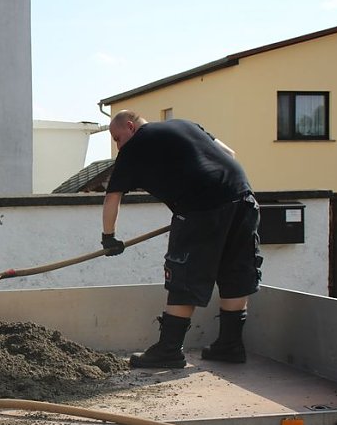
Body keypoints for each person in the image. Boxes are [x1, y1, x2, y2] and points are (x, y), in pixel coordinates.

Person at [101, 110, 263, 369]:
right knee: (236, 272)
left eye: (117, 138)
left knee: (185, 274)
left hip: (201, 209)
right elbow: (229, 154)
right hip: (244, 198)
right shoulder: (185, 124)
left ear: (130, 127)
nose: (117, 145)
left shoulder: (134, 148)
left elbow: (112, 198)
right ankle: (230, 346)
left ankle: (169, 350)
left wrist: (108, 238)